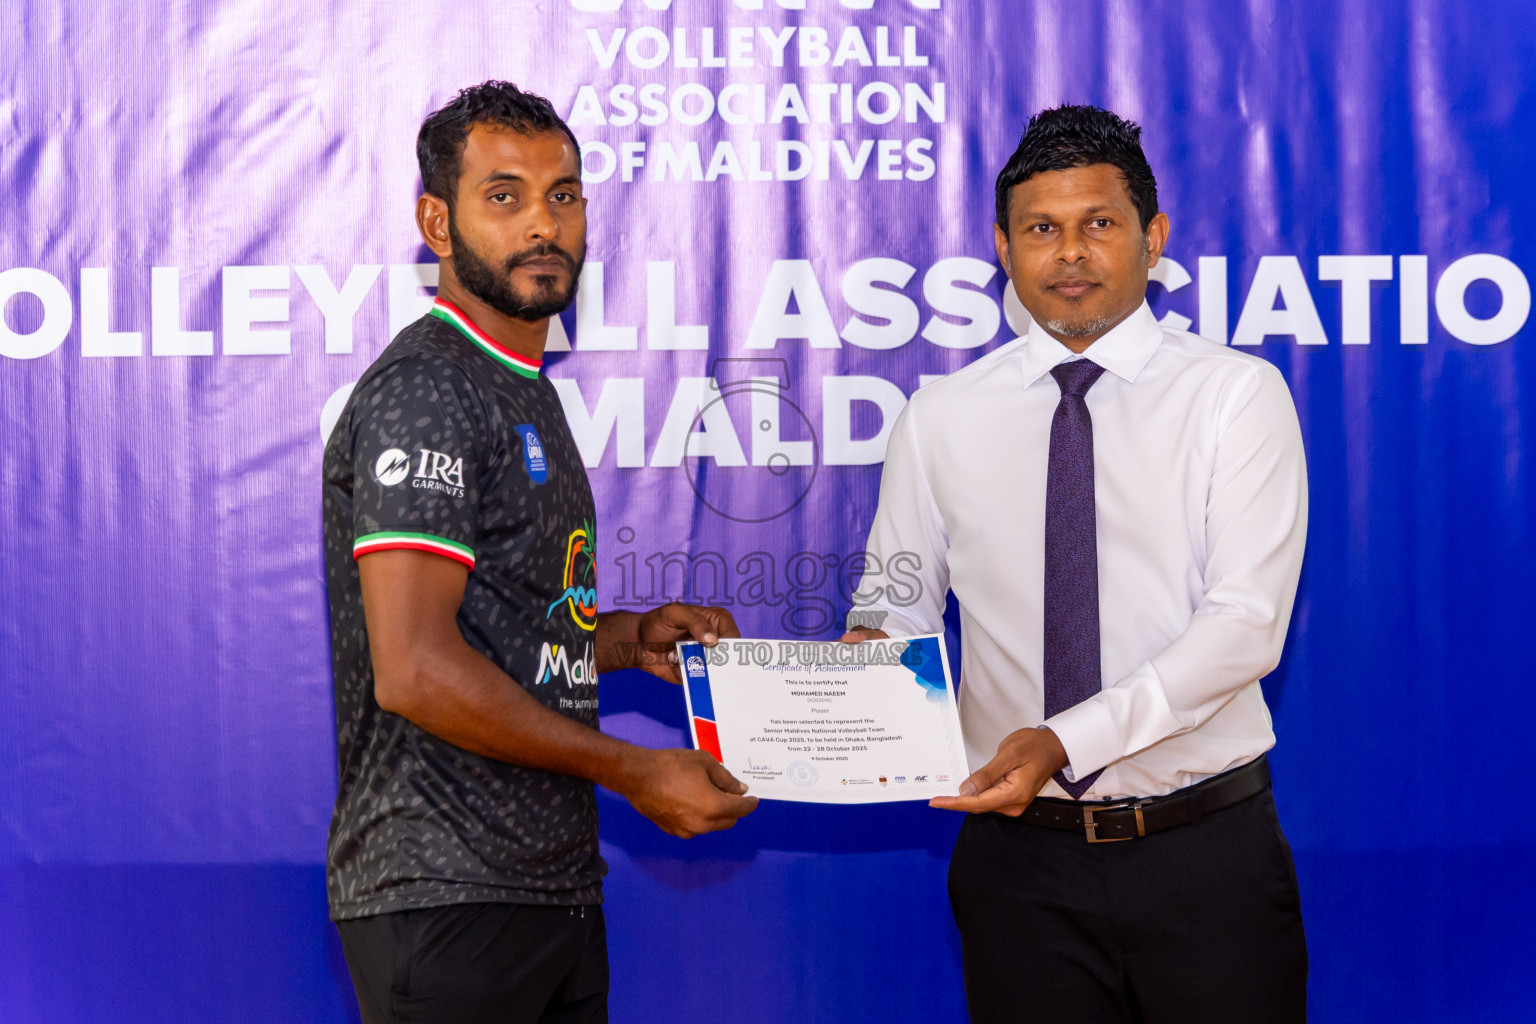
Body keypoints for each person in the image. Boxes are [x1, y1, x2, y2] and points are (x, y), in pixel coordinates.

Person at [842, 105, 1309, 1023]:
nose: (1070, 253)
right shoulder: (941, 417)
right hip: (1019, 867)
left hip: (1204, 852)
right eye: (1041, 229)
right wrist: (833, 690)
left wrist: (1065, 740)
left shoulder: (1234, 396)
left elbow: (1245, 627)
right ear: (1003, 249)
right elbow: (894, 608)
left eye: (1099, 223)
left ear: (1153, 238)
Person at [322, 81, 757, 1024]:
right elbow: (416, 668)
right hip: (444, 892)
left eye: (563, 196)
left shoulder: (523, 385)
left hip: (546, 886)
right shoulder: (428, 388)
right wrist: (633, 768)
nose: (543, 224)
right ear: (437, 222)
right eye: (505, 195)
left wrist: (626, 636)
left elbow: (504, 625)